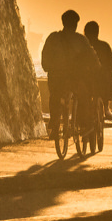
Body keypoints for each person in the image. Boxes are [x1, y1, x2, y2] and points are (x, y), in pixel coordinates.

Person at [41, 10, 98, 138]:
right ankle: (83, 125)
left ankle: (54, 123)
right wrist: (95, 67)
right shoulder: (81, 40)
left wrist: (48, 68)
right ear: (76, 24)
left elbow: (45, 57)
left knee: (55, 96)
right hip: (74, 79)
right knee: (84, 96)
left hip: (55, 78)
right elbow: (92, 57)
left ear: (63, 22)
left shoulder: (53, 37)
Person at [83, 22, 112, 120]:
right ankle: (106, 108)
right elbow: (111, 60)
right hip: (102, 80)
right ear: (97, 32)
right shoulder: (104, 45)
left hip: (85, 79)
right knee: (107, 76)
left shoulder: (82, 46)